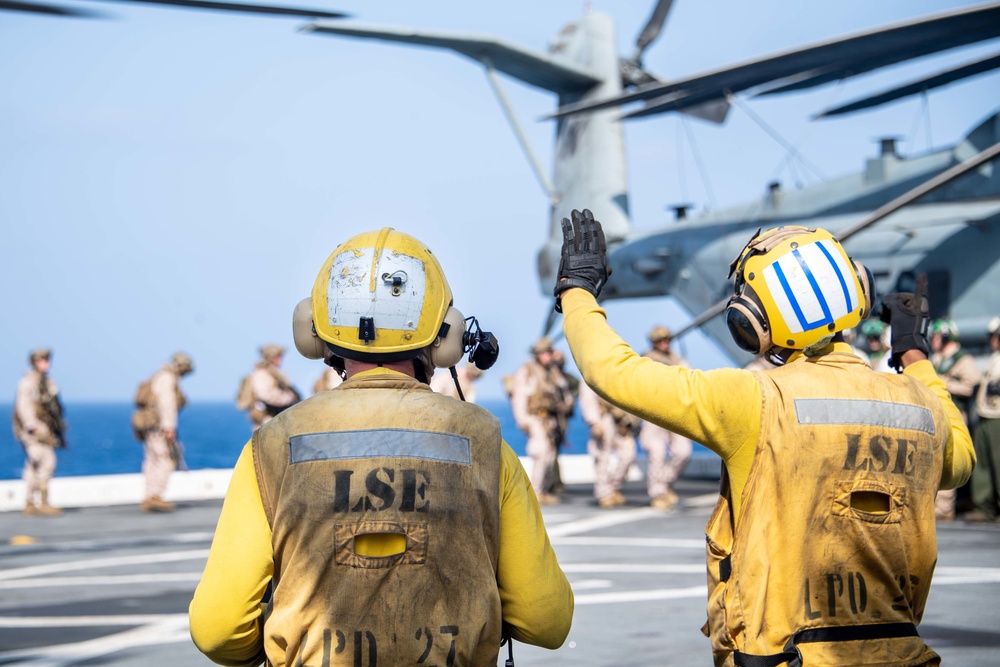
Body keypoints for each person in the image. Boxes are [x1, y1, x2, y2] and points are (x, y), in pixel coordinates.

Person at [554, 211, 974, 666]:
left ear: (753, 321)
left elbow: (614, 373)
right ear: (858, 290)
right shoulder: (920, 404)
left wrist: (577, 291)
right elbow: (959, 461)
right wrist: (914, 356)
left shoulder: (754, 399)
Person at [190, 227, 573, 666]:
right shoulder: (484, 442)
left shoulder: (271, 446)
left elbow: (217, 630)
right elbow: (547, 620)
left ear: (314, 333)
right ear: (446, 337)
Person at [509, 337, 575, 504]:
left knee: (550, 456)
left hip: (550, 419)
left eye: (549, 353)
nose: (547, 356)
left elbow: (564, 392)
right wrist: (523, 420)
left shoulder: (553, 372)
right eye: (544, 353)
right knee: (540, 453)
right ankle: (536, 491)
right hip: (535, 417)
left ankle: (543, 490)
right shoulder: (528, 371)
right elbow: (520, 397)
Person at [929, 318, 981, 520]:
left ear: (944, 337)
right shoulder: (938, 358)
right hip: (938, 412)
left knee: (949, 459)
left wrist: (945, 383)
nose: (933, 340)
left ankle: (943, 510)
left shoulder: (963, 359)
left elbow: (971, 385)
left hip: (955, 414)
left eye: (935, 336)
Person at [638, 326, 693, 511]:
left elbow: (690, 382)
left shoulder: (678, 360)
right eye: (661, 340)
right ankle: (658, 493)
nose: (665, 343)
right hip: (653, 412)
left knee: (683, 452)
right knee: (657, 453)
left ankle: (665, 483)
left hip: (676, 411)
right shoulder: (644, 361)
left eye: (667, 340)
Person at [133, 352, 194, 513]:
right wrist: (169, 427)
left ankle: (149, 495)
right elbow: (167, 404)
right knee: (166, 458)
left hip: (150, 424)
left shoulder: (158, 375)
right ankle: (156, 495)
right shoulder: (169, 378)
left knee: (152, 458)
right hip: (159, 425)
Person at [12, 348, 67, 517]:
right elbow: (23, 406)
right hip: (36, 430)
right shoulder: (29, 382)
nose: (46, 363)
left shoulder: (46, 382)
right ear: (35, 362)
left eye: (47, 360)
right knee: (45, 462)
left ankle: (32, 502)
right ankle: (40, 502)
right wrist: (33, 427)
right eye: (43, 360)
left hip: (45, 428)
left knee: (35, 464)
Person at [579, 379, 637, 508]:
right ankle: (604, 493)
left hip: (620, 420)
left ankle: (614, 487)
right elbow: (587, 398)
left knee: (628, 454)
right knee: (602, 458)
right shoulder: (592, 372)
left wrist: (629, 419)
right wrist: (594, 422)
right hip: (602, 418)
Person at [965, 316, 1000, 522]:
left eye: (995, 336)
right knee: (983, 464)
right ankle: (984, 506)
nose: (992, 339)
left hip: (998, 417)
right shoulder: (994, 357)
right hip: (985, 414)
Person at [242, 344, 301, 430]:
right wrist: (287, 398)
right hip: (266, 419)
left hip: (275, 418)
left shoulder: (275, 373)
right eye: (278, 356)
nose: (281, 359)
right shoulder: (261, 374)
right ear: (271, 357)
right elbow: (265, 394)